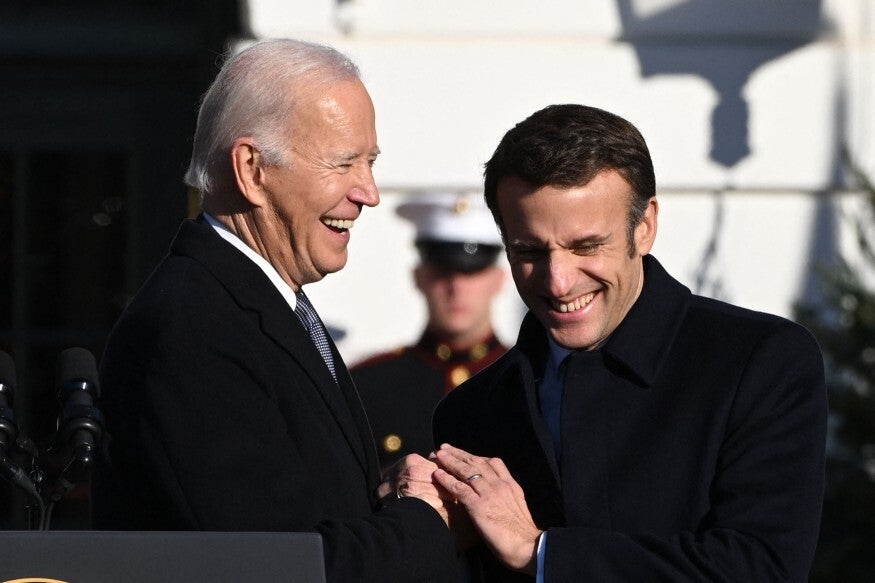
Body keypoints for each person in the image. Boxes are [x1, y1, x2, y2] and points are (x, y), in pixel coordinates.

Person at [91, 39, 459, 582]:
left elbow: (306, 511)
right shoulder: (194, 328)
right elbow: (272, 563)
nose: (369, 192)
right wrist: (424, 520)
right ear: (252, 170)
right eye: (343, 163)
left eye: (370, 162)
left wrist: (391, 494)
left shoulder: (259, 303)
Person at [426, 104, 827, 581]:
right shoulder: (471, 411)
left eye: (586, 246)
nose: (558, 282)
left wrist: (542, 552)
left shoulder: (759, 363)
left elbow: (762, 569)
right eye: (530, 252)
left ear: (645, 226)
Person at [352, 192, 508, 469]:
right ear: (419, 276)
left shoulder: (532, 378)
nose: (456, 288)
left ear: (498, 280)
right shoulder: (367, 385)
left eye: (472, 273)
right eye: (443, 272)